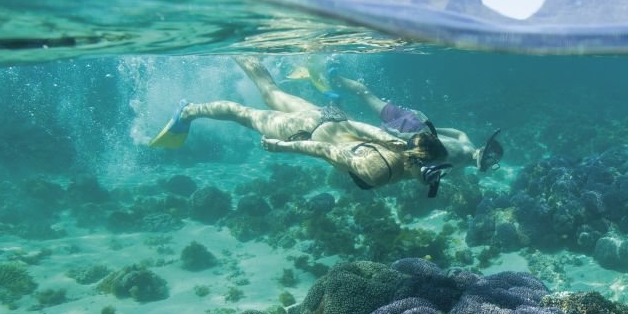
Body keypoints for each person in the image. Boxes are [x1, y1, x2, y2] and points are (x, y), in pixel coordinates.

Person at [149, 58, 502, 197]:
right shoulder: (377, 170)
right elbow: (325, 151)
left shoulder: (398, 145)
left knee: (271, 92)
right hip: (303, 132)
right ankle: (190, 111)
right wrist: (283, 147)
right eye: (433, 174)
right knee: (244, 114)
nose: (435, 179)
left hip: (326, 117)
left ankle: (244, 51)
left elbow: (368, 130)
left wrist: (335, 117)